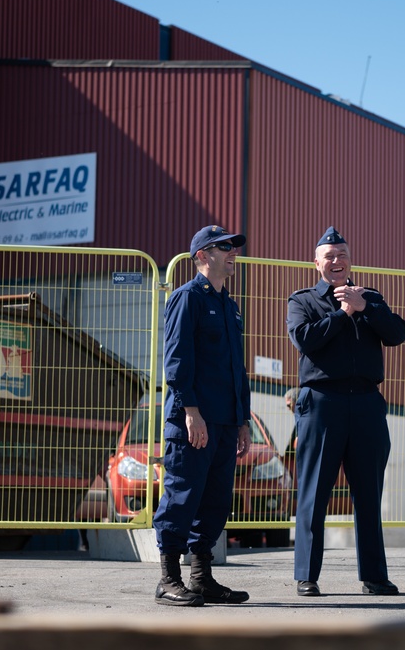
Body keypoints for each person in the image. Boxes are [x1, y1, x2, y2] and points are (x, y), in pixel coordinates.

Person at [286, 226, 405, 597]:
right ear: (317, 263)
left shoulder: (369, 296)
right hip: (322, 403)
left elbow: (398, 333)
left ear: (350, 260)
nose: (336, 262)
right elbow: (304, 339)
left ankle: (374, 576)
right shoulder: (303, 300)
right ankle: (306, 575)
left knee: (368, 495)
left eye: (342, 255)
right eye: (329, 256)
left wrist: (365, 306)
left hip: (368, 404)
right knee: (314, 493)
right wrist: (343, 312)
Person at [153, 225, 253, 607]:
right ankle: (168, 579)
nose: (232, 253)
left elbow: (237, 370)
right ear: (201, 256)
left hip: (226, 422)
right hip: (193, 419)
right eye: (223, 247)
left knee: (214, 502)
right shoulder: (187, 298)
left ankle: (200, 578)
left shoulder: (230, 305)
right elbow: (177, 360)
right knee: (182, 496)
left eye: (233, 247)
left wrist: (242, 420)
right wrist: (191, 411)